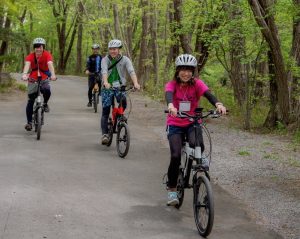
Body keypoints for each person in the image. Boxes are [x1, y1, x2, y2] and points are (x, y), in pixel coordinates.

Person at [165, 54, 226, 206]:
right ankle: (172, 189)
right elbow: (169, 96)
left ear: (193, 71)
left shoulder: (197, 84)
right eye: (183, 70)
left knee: (198, 146)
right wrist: (171, 106)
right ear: (178, 71)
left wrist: (218, 104)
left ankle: (203, 183)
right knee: (175, 155)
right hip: (175, 124)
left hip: (192, 123)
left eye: (189, 70)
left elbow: (208, 94)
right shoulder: (172, 84)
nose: (186, 73)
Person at [100, 39, 140, 145]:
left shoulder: (125, 59)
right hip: (107, 87)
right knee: (106, 110)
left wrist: (136, 83)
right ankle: (104, 135)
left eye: (115, 49)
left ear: (119, 49)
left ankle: (118, 118)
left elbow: (131, 71)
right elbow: (104, 71)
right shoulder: (105, 60)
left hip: (120, 86)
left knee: (124, 103)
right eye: (111, 49)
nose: (113, 51)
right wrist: (105, 82)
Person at [22, 37, 57, 131]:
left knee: (47, 90)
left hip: (44, 78)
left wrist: (53, 74)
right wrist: (25, 74)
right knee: (30, 101)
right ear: (34, 47)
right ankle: (29, 122)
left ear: (43, 47)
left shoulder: (47, 55)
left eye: (40, 47)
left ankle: (45, 103)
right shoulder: (30, 56)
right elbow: (27, 65)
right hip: (33, 78)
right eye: (36, 47)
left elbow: (50, 64)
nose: (38, 49)